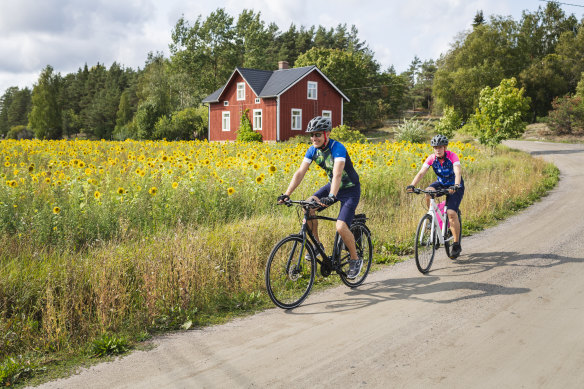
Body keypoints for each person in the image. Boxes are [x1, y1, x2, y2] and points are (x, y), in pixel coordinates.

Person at [277, 116, 362, 278]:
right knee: (308, 206)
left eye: (318, 134)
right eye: (312, 135)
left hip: (350, 190)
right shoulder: (313, 150)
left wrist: (331, 196)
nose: (314, 138)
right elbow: (300, 172)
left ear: (327, 134)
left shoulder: (338, 148)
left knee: (341, 226)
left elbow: (337, 174)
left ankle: (354, 259)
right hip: (333, 187)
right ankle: (317, 245)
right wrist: (287, 194)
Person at [406, 134, 464, 258]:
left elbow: (457, 171)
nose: (437, 150)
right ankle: (432, 217)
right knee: (428, 191)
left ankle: (456, 243)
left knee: (451, 213)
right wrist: (412, 185)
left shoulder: (452, 156)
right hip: (441, 183)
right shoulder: (432, 158)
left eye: (440, 147)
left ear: (445, 147)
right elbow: (421, 172)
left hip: (455, 185)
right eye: (435, 147)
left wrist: (456, 184)